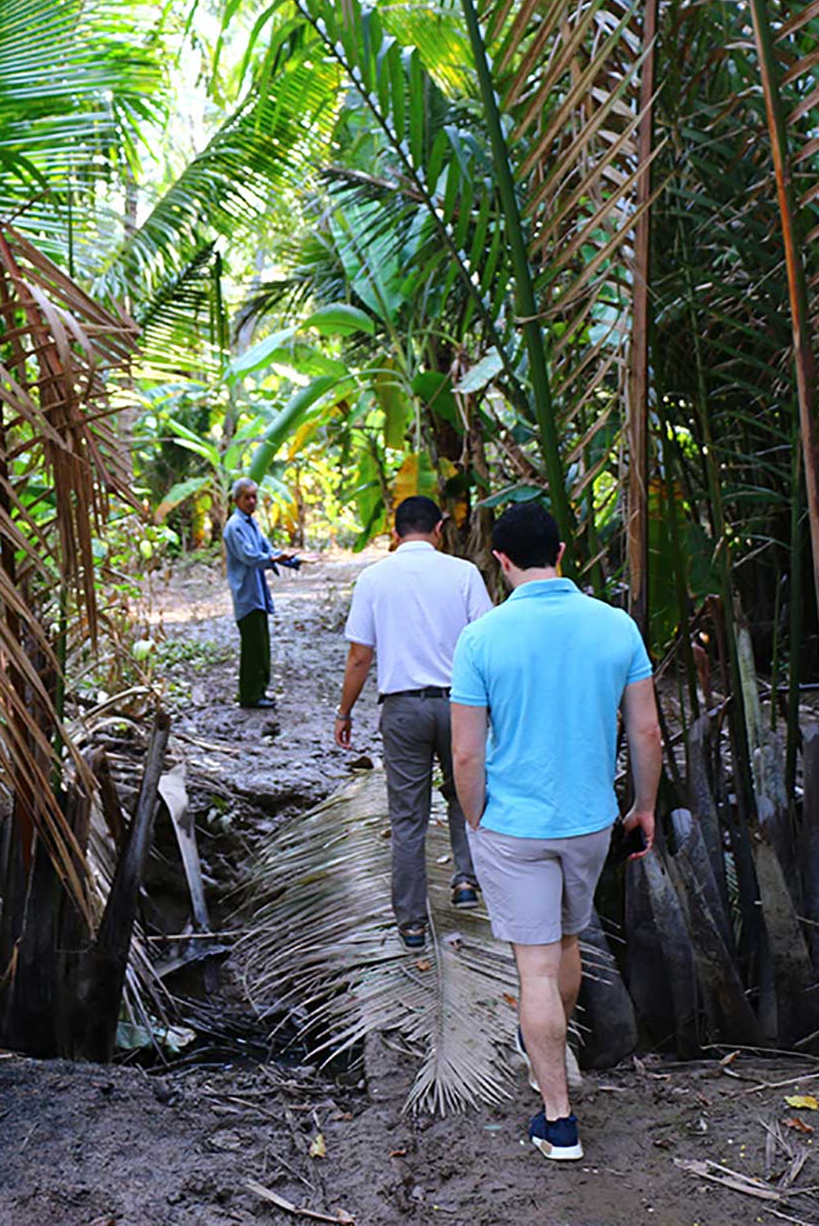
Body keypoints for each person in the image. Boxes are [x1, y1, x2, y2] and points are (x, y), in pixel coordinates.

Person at [449, 503, 661, 1164]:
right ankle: (550, 1044)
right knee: (566, 941)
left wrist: (476, 817)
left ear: (500, 560)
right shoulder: (615, 625)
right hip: (590, 822)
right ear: (562, 553)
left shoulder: (481, 638)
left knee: (535, 966)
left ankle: (559, 1120)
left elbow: (465, 754)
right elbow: (647, 730)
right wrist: (644, 807)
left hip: (514, 825)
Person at [335, 496, 494, 949]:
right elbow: (486, 642)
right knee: (466, 794)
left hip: (402, 709)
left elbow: (360, 656)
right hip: (461, 704)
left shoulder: (374, 578)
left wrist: (344, 711)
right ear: (439, 529)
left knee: (408, 817)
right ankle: (466, 880)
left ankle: (411, 923)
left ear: (395, 531)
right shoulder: (463, 573)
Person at [223, 478, 304, 710]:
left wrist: (293, 560)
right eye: (247, 497)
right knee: (252, 647)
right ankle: (249, 695)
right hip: (247, 595)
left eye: (254, 497)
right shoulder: (235, 526)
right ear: (236, 500)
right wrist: (273, 559)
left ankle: (258, 691)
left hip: (257, 594)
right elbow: (250, 556)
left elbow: (267, 549)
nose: (252, 501)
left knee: (261, 645)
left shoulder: (252, 523)